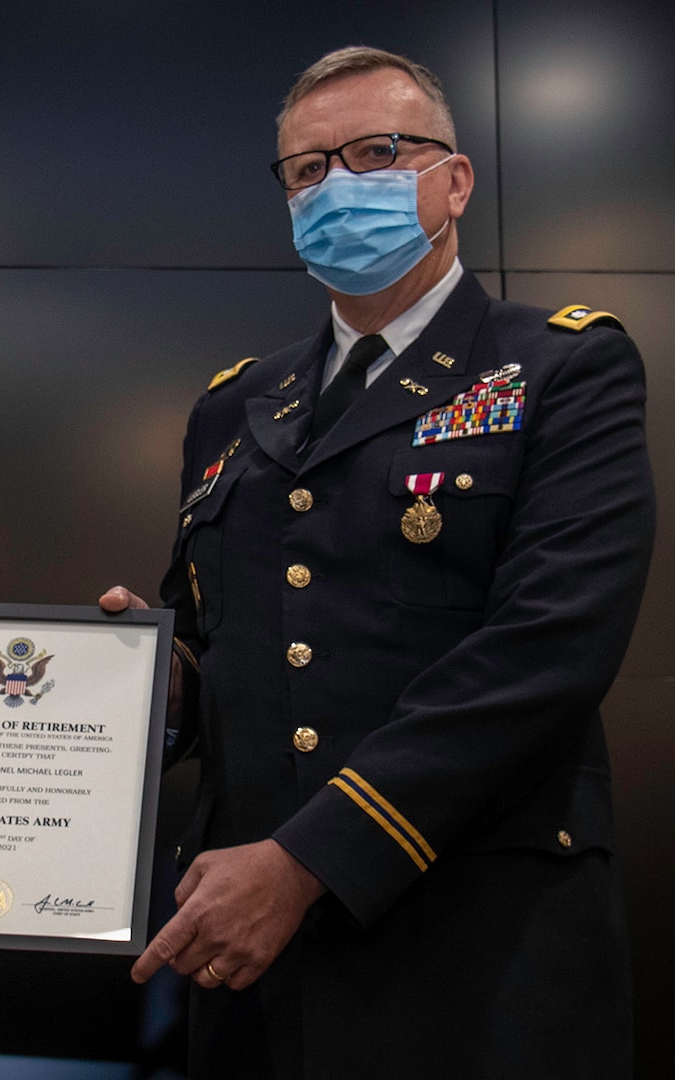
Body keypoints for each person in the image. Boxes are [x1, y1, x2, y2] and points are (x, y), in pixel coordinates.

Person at [103, 47, 655, 1077]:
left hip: (475, 947)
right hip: (255, 959)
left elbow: (550, 650)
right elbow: (236, 656)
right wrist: (149, 687)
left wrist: (312, 859)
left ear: (455, 180)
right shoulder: (235, 403)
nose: (338, 185)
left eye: (378, 151)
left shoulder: (562, 366)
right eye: (309, 169)